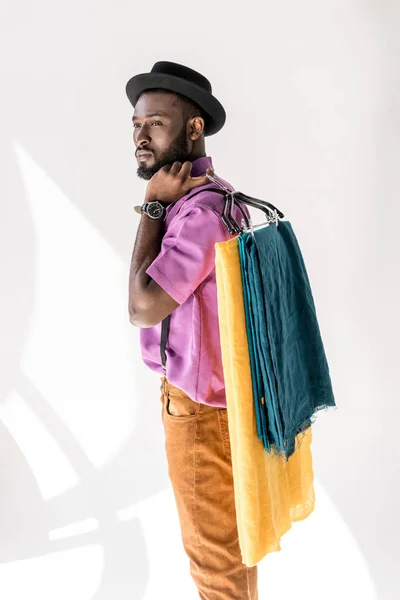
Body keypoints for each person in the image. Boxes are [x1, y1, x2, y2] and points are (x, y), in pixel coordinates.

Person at [126, 61, 257, 599]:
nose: (140, 136)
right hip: (220, 398)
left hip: (201, 409)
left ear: (194, 127)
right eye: (136, 125)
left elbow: (143, 308)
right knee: (229, 551)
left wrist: (152, 206)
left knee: (214, 561)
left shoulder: (197, 212)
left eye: (155, 123)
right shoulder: (219, 197)